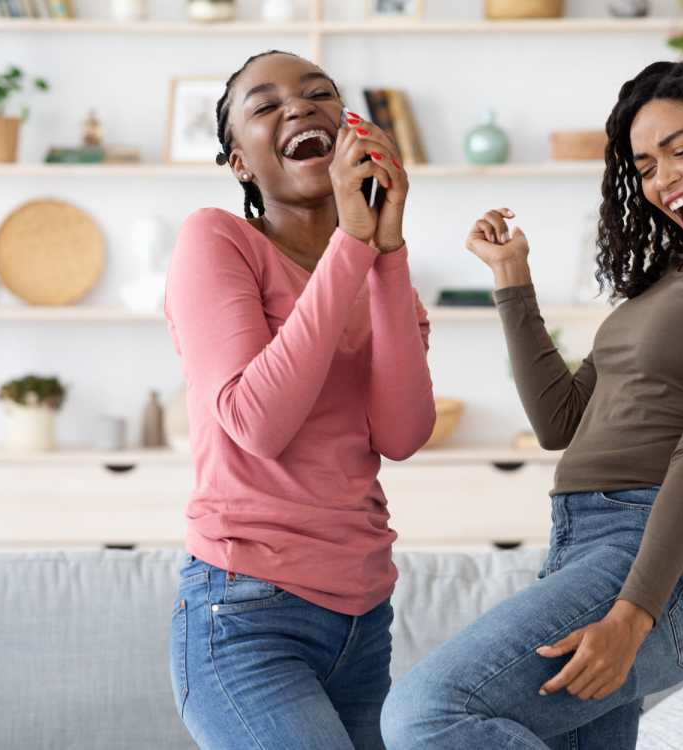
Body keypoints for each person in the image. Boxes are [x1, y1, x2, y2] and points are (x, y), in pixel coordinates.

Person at [381, 51, 683, 749]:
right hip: (578, 543)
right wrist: (511, 278)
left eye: (682, 149)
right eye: (646, 166)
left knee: (425, 714)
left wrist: (633, 615)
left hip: (654, 560)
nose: (662, 179)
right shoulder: (673, 278)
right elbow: (559, 421)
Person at [164, 50, 434, 750]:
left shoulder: (382, 277)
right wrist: (354, 244)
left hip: (365, 621)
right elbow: (256, 422)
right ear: (240, 165)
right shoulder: (217, 240)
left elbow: (402, 434)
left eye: (321, 95)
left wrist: (388, 250)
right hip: (246, 616)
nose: (300, 107)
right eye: (264, 105)